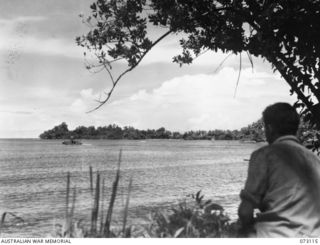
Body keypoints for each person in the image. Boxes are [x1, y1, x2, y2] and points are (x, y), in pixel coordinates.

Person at [238, 102, 320, 237]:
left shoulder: (264, 155)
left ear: (269, 129)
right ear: (296, 129)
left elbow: (245, 212)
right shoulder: (315, 160)